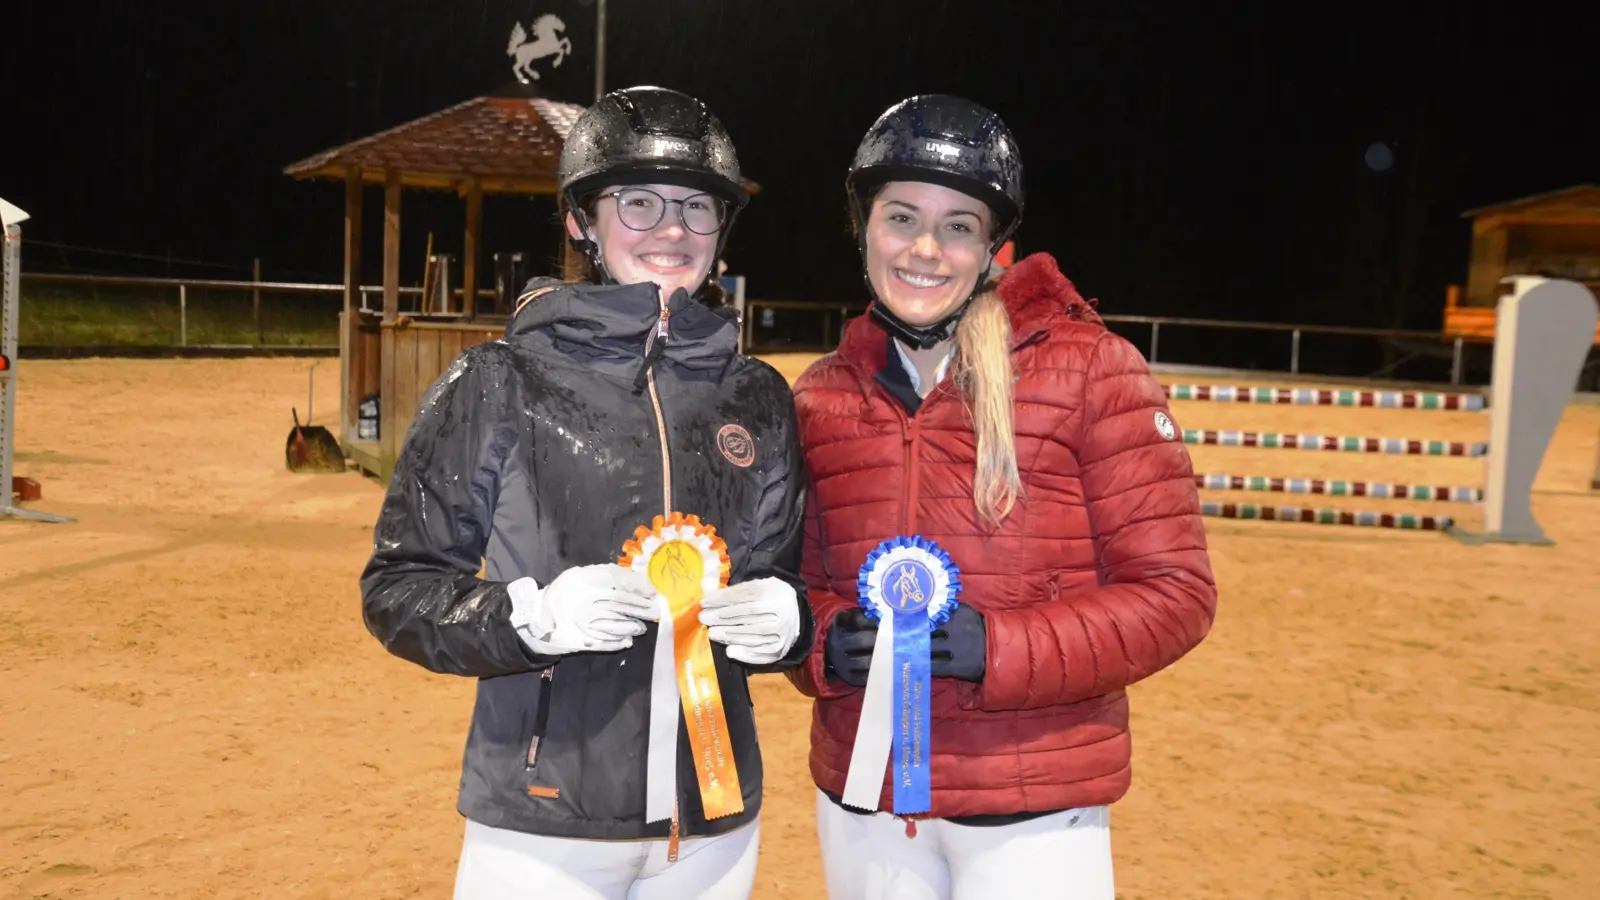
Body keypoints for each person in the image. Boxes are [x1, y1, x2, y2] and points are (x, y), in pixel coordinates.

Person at [360, 85, 813, 900]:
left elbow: (783, 571)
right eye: (637, 203)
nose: (672, 229)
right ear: (581, 221)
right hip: (541, 830)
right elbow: (398, 590)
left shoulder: (760, 398)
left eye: (697, 207)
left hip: (714, 828)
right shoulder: (499, 384)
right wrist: (528, 618)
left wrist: (793, 621)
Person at [787, 94, 1218, 899]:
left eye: (958, 226)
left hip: (1033, 808)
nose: (925, 248)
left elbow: (1177, 595)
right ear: (864, 229)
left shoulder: (1092, 368)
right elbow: (803, 587)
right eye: (901, 217)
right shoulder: (820, 397)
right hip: (866, 802)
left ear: (993, 248)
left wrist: (1000, 649)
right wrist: (821, 649)